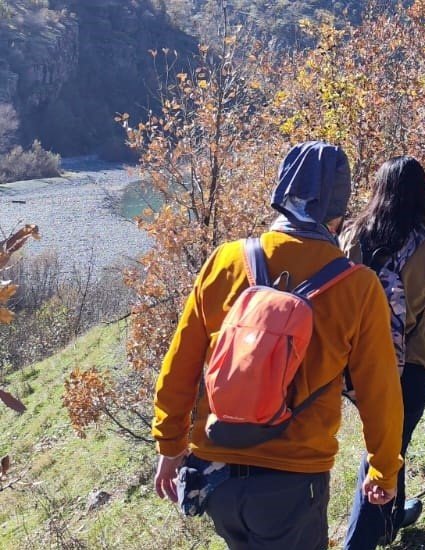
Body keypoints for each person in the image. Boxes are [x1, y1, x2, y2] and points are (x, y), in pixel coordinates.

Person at [152, 141, 404, 550]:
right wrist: (383, 469)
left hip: (215, 473)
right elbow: (380, 390)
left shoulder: (225, 261)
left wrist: (170, 443)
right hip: (292, 480)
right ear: (339, 213)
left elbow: (179, 363)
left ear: (280, 195)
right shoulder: (357, 287)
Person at [341, 156, 425, 549]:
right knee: (386, 449)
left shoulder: (350, 239)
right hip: (407, 366)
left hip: (355, 367)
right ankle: (358, 542)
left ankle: (391, 518)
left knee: (393, 441)